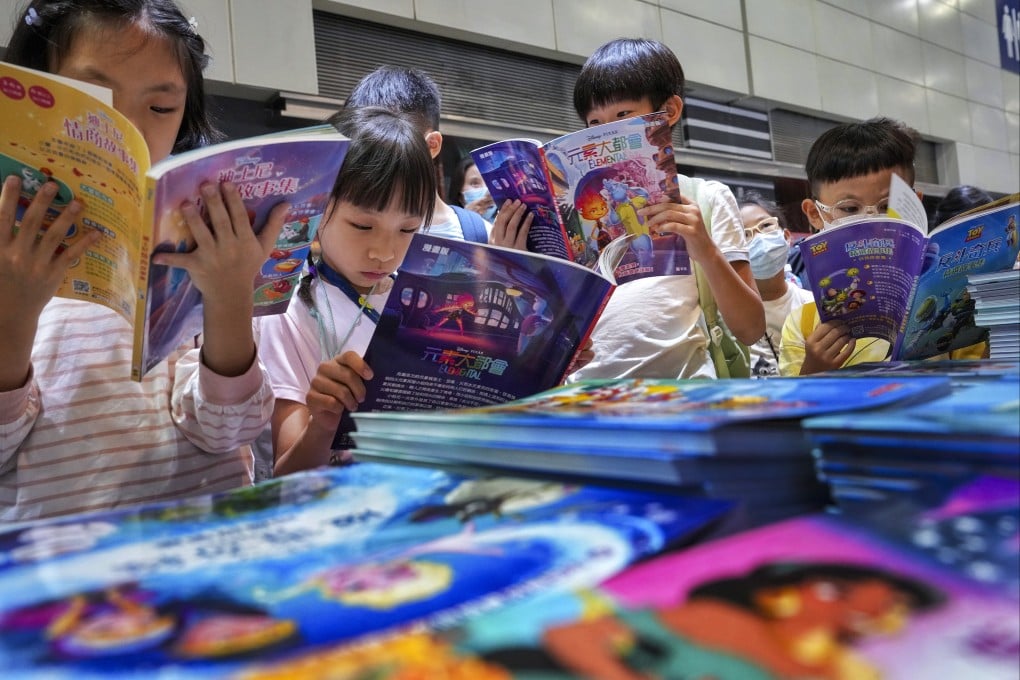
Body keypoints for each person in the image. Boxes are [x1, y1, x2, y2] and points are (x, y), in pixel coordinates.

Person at [0, 0, 287, 520]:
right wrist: (14, 316)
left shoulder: (199, 233)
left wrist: (228, 296)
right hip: (56, 567)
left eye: (158, 109)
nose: (124, 130)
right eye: (93, 100)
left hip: (193, 547)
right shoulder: (5, 239)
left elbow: (229, 431)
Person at [558, 38, 764, 380]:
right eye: (595, 124)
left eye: (623, 115)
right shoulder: (578, 212)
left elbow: (751, 330)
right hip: (587, 401)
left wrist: (706, 251)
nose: (608, 132)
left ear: (669, 111)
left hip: (684, 396)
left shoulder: (707, 198)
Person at [255, 106, 436, 476]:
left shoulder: (421, 299)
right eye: (362, 225)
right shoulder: (286, 313)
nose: (384, 253)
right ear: (318, 208)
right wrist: (322, 423)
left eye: (407, 230)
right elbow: (287, 471)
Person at [777, 117, 986, 376]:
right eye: (849, 208)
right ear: (814, 213)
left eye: (887, 206)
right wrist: (814, 368)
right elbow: (795, 403)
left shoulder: (945, 296)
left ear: (913, 203)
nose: (872, 221)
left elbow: (976, 376)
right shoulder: (803, 324)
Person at [344, 66, 491, 244]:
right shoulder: (341, 227)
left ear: (432, 145)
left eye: (392, 146)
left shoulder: (484, 235)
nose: (375, 162)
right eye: (365, 148)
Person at [739, 193, 814, 378]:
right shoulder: (727, 316)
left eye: (765, 226)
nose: (758, 238)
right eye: (744, 235)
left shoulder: (814, 306)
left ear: (787, 236)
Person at [448, 155, 496, 222]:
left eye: (489, 182)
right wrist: (466, 219)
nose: (486, 189)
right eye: (475, 183)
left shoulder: (508, 224)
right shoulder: (450, 226)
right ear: (460, 197)